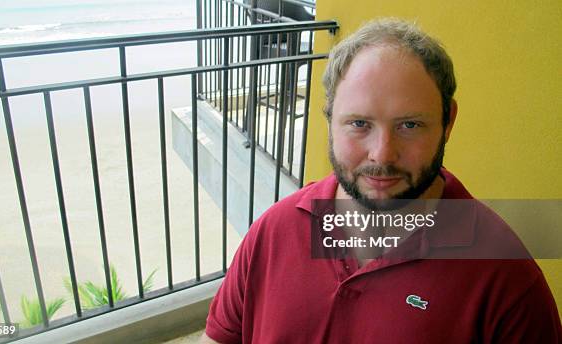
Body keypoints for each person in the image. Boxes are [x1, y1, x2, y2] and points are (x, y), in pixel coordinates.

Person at [201, 18, 561, 343]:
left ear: (447, 122)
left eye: (410, 125)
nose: (382, 154)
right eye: (359, 124)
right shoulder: (272, 231)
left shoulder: (506, 277)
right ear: (329, 119)